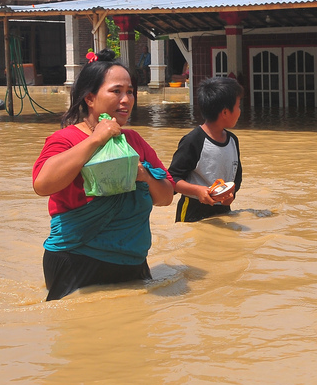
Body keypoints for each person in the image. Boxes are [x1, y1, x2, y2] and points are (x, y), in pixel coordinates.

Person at [32, 50, 175, 300]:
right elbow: (42, 184)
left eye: (130, 91)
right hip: (76, 260)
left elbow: (166, 197)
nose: (126, 99)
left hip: (132, 262)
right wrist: (96, 140)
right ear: (90, 98)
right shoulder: (66, 139)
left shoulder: (134, 141)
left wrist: (144, 176)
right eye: (116, 91)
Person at [169, 76, 244, 222]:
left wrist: (231, 195)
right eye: (238, 106)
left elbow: (237, 177)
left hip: (223, 211)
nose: (240, 111)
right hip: (191, 211)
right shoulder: (193, 141)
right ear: (225, 112)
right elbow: (172, 179)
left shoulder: (233, 141)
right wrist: (198, 191)